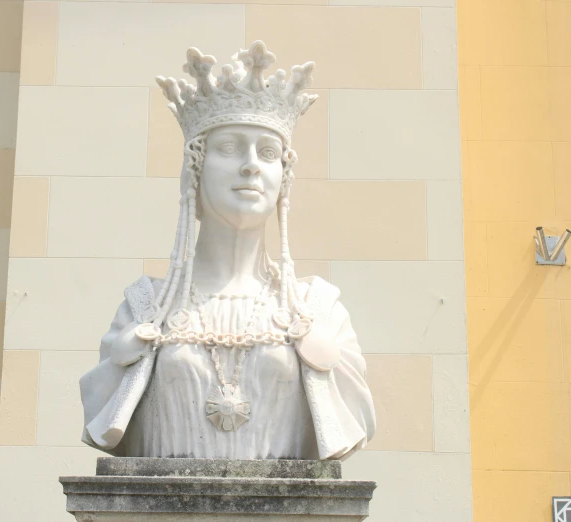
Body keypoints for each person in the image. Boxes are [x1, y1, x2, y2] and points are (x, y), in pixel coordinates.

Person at [80, 41, 375, 460]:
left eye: (268, 152)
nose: (251, 165)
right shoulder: (142, 309)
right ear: (195, 169)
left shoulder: (320, 310)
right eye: (230, 148)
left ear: (283, 178)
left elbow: (354, 416)